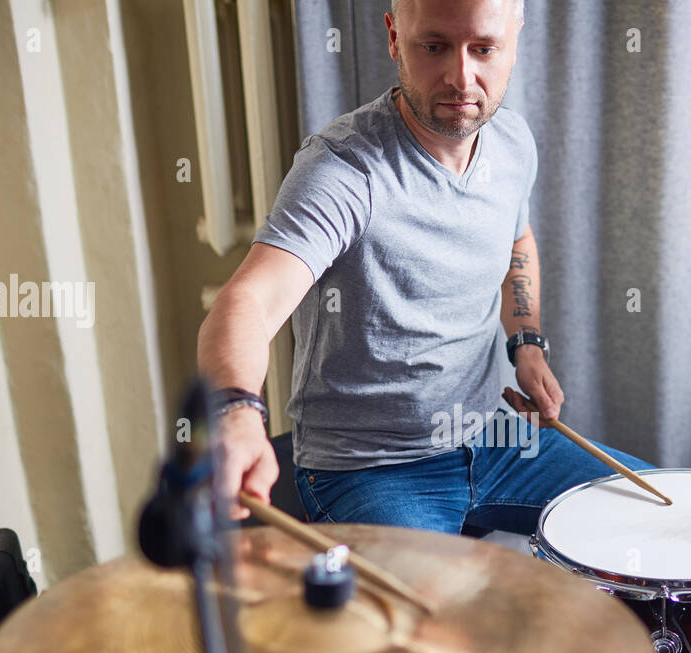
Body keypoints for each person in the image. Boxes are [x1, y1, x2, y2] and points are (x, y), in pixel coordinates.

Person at [197, 0, 653, 534]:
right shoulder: (344, 169)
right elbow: (249, 300)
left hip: (495, 438)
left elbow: (517, 239)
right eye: (434, 46)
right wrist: (236, 412)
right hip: (370, 470)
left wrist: (526, 343)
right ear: (394, 38)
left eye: (484, 48)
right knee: (435, 594)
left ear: (515, 38)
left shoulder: (511, 142)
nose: (461, 77)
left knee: (671, 525)